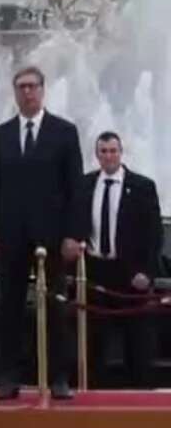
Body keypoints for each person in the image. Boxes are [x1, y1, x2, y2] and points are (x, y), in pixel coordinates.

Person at [0, 66, 82, 400]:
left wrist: (73, 234)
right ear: (15, 92)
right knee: (8, 309)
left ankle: (58, 378)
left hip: (51, 238)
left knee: (55, 309)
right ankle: (8, 378)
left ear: (43, 90)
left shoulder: (64, 133)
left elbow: (75, 189)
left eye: (33, 86)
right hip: (11, 236)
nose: (27, 92)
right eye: (21, 87)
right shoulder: (2, 134)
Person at [71, 132, 162, 388]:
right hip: (95, 273)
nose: (108, 156)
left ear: (121, 153)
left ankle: (140, 396)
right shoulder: (85, 184)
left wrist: (147, 272)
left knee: (136, 340)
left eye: (113, 151)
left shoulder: (143, 186)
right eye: (103, 151)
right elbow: (76, 223)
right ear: (97, 155)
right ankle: (93, 394)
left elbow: (154, 234)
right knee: (93, 340)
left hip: (131, 275)